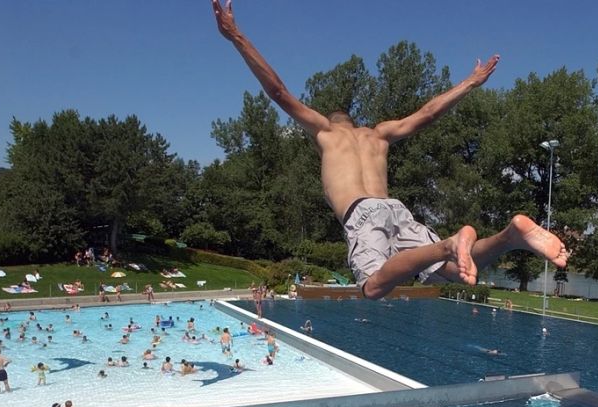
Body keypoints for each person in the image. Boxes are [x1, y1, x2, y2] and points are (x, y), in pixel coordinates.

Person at [212, 0, 568, 299]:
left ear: (333, 123)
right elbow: (427, 115)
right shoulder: (379, 135)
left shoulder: (325, 133)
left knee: (372, 287)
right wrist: (470, 82)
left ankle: (450, 243)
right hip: (395, 209)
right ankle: (511, 236)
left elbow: (278, 92)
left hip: (361, 213)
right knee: (455, 272)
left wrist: (235, 36)